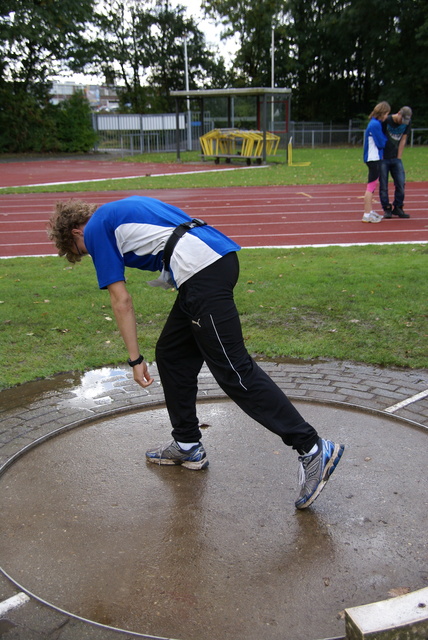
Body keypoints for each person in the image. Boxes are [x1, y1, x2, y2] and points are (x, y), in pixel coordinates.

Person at [47, 195, 344, 510]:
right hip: (209, 265)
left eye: (82, 252)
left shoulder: (94, 229)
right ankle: (187, 443)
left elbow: (121, 300)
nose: (89, 253)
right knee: (172, 354)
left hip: (203, 271)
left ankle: (312, 448)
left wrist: (135, 359)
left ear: (77, 232)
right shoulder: (118, 211)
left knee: (234, 370)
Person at [380, 106, 412, 219]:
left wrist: (399, 156)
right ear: (398, 113)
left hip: (395, 158)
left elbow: (403, 139)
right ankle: (386, 209)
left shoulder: (407, 123)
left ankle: (398, 207)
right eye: (400, 120)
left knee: (401, 183)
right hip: (384, 157)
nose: (401, 123)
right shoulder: (386, 120)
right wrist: (381, 154)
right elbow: (380, 136)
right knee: (383, 185)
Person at [362, 101, 390, 223]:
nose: (386, 117)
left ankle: (369, 211)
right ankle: (366, 214)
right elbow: (381, 142)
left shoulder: (375, 123)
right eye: (386, 114)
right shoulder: (375, 125)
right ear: (382, 113)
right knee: (371, 186)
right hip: (373, 158)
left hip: (374, 158)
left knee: (372, 186)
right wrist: (385, 140)